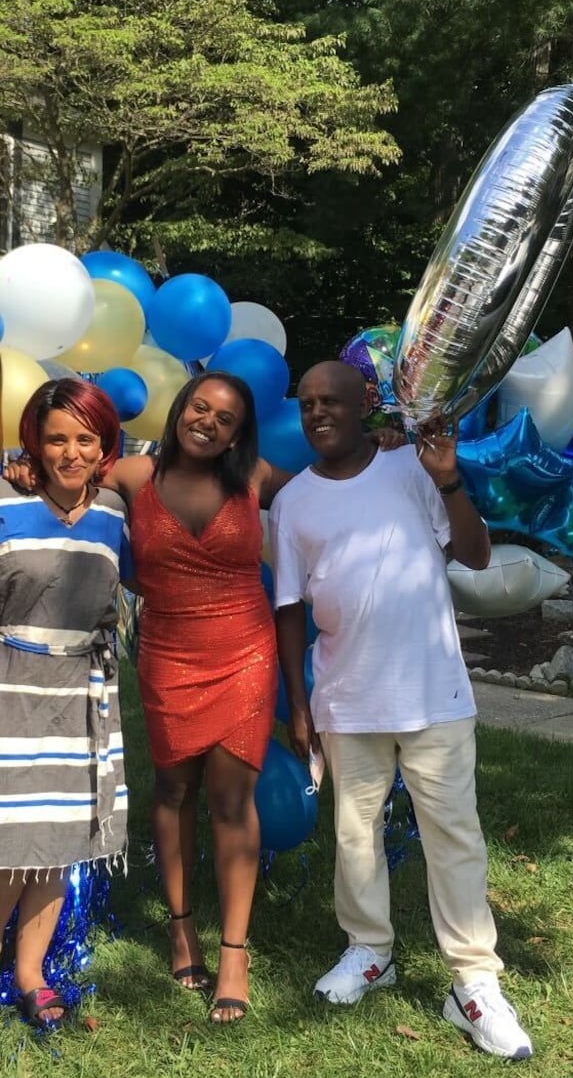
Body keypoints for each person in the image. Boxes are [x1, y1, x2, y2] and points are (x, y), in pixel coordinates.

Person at [7, 370, 403, 1026]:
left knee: (230, 800)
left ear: (239, 430)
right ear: (180, 409)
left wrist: (380, 444)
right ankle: (181, 926)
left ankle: (235, 951)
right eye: (199, 407)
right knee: (172, 793)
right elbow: (67, 480)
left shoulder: (257, 479)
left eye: (225, 417)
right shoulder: (133, 476)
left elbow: (332, 477)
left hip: (244, 653)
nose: (208, 422)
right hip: (167, 654)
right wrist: (26, 466)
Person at [270, 360, 533, 1060]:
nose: (318, 413)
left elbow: (474, 555)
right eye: (307, 404)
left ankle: (472, 982)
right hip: (345, 699)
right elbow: (289, 608)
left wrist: (447, 477)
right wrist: (298, 703)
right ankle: (370, 951)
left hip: (432, 692)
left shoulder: (411, 469)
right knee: (355, 834)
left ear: (365, 406)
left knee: (454, 836)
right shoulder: (293, 501)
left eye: (332, 400)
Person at [0, 379, 129, 1027]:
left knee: (52, 842)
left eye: (85, 439)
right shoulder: (5, 500)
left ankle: (29, 974)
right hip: (9, 690)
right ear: (34, 442)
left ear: (105, 444)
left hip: (82, 697)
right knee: (6, 842)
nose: (70, 453)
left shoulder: (114, 513)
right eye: (55, 439)